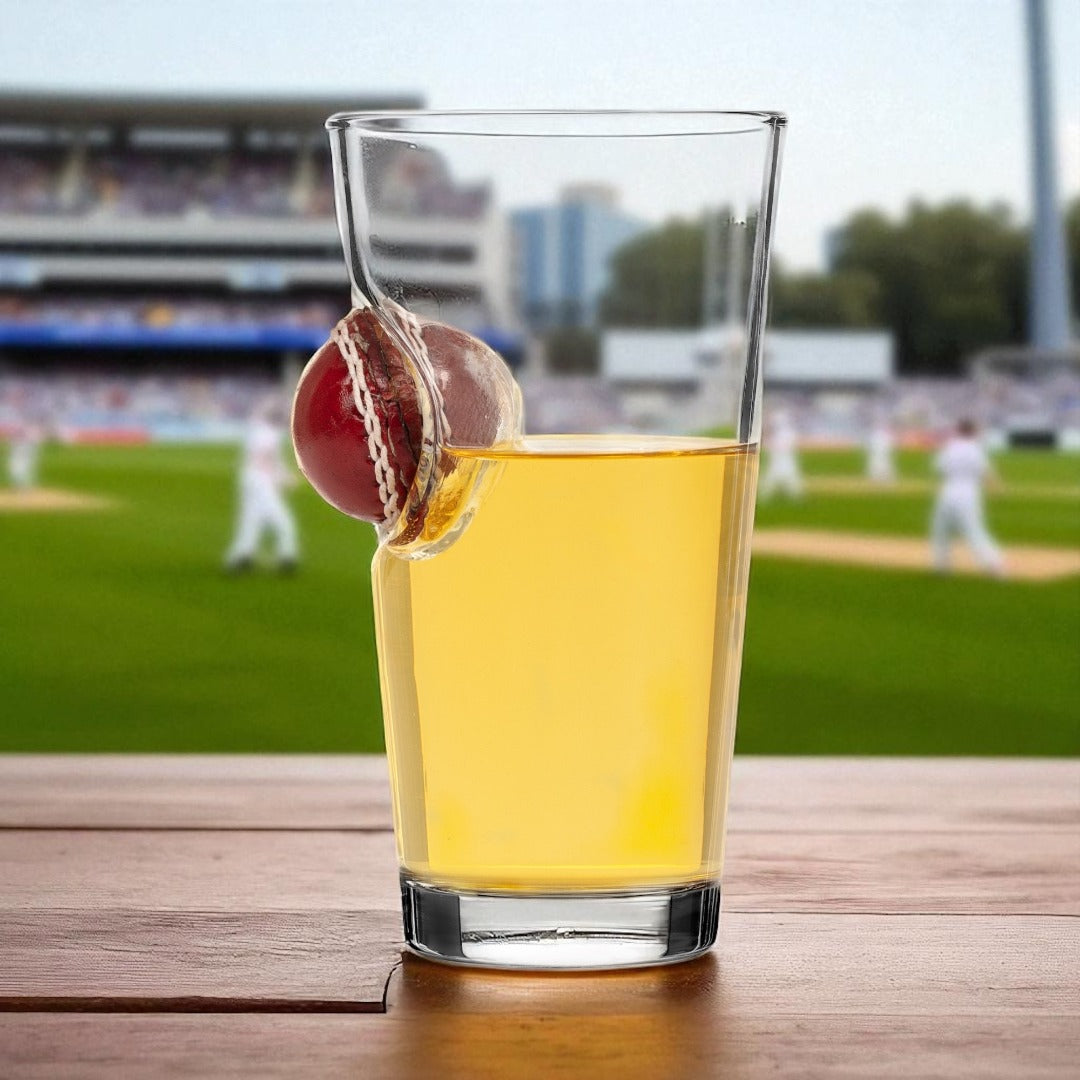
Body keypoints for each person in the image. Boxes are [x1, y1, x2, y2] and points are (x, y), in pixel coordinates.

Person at [224, 399, 299, 574]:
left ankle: (241, 556)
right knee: (281, 519)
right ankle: (287, 555)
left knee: (251, 520)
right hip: (261, 482)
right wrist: (284, 477)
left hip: (250, 479)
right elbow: (266, 460)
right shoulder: (269, 434)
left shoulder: (259, 431)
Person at [930, 419, 1004, 576]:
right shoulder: (975, 450)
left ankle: (941, 565)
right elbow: (986, 473)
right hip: (968, 494)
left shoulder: (950, 448)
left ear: (958, 430)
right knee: (974, 530)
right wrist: (996, 488)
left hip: (947, 492)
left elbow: (940, 470)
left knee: (940, 530)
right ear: (973, 432)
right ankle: (994, 565)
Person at [760, 410, 803, 499]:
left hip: (786, 464)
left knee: (794, 487)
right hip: (777, 464)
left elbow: (778, 446)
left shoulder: (787, 434)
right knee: (768, 485)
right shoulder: (783, 434)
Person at [7, 420, 44, 490]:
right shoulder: (18, 441)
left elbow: (33, 448)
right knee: (15, 472)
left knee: (21, 472)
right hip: (18, 459)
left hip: (23, 460)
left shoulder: (27, 441)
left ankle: (24, 487)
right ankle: (19, 486)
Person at [866, 416, 897, 484]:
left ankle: (885, 479)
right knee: (876, 464)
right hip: (877, 454)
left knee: (884, 465)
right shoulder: (876, 435)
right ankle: (877, 479)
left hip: (883, 454)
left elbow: (890, 444)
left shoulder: (884, 435)